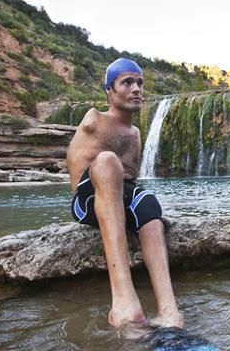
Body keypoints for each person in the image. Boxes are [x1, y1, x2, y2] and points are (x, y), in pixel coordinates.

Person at [66, 58, 183, 331]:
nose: (136, 88)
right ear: (109, 90)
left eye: (140, 83)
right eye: (127, 82)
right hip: (89, 199)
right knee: (107, 161)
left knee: (149, 206)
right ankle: (124, 304)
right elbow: (87, 168)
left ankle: (170, 313)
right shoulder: (94, 118)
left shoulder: (136, 133)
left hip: (121, 196)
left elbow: (132, 180)